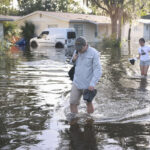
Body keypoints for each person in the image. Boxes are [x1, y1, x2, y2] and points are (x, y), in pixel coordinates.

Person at [68, 36, 102, 120]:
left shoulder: (94, 53)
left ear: (86, 45)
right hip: (76, 82)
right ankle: (74, 121)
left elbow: (98, 70)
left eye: (80, 48)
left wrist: (92, 83)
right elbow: (71, 63)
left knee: (88, 103)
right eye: (77, 48)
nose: (79, 50)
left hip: (88, 83)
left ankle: (90, 120)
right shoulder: (77, 51)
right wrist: (73, 60)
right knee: (72, 103)